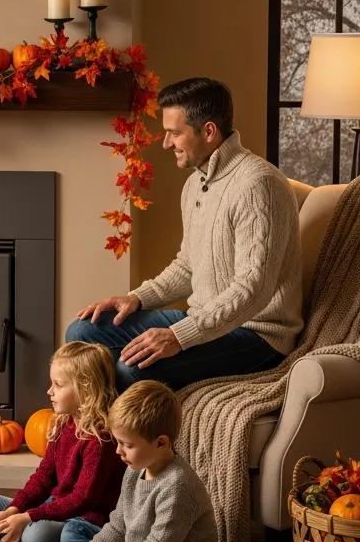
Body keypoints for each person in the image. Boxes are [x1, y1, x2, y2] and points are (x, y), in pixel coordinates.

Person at [68, 77, 302, 393]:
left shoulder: (258, 185)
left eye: (175, 133)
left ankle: (116, 440)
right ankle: (98, 433)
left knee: (133, 367)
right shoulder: (195, 184)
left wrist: (180, 335)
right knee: (83, 332)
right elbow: (188, 266)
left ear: (208, 131)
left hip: (257, 336)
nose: (166, 144)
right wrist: (136, 298)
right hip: (205, 321)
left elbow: (254, 289)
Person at [42, 380, 216, 542]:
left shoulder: (178, 485)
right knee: (73, 534)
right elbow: (117, 526)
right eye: (118, 442)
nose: (118, 452)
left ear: (161, 443)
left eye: (127, 444)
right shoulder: (135, 469)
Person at [0, 341, 125, 542]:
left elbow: (83, 499)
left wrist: (27, 517)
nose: (49, 391)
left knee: (35, 535)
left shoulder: (101, 439)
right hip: (53, 507)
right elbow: (43, 477)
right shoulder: (63, 423)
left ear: (86, 388)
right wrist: (14, 509)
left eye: (58, 385)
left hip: (81, 521)